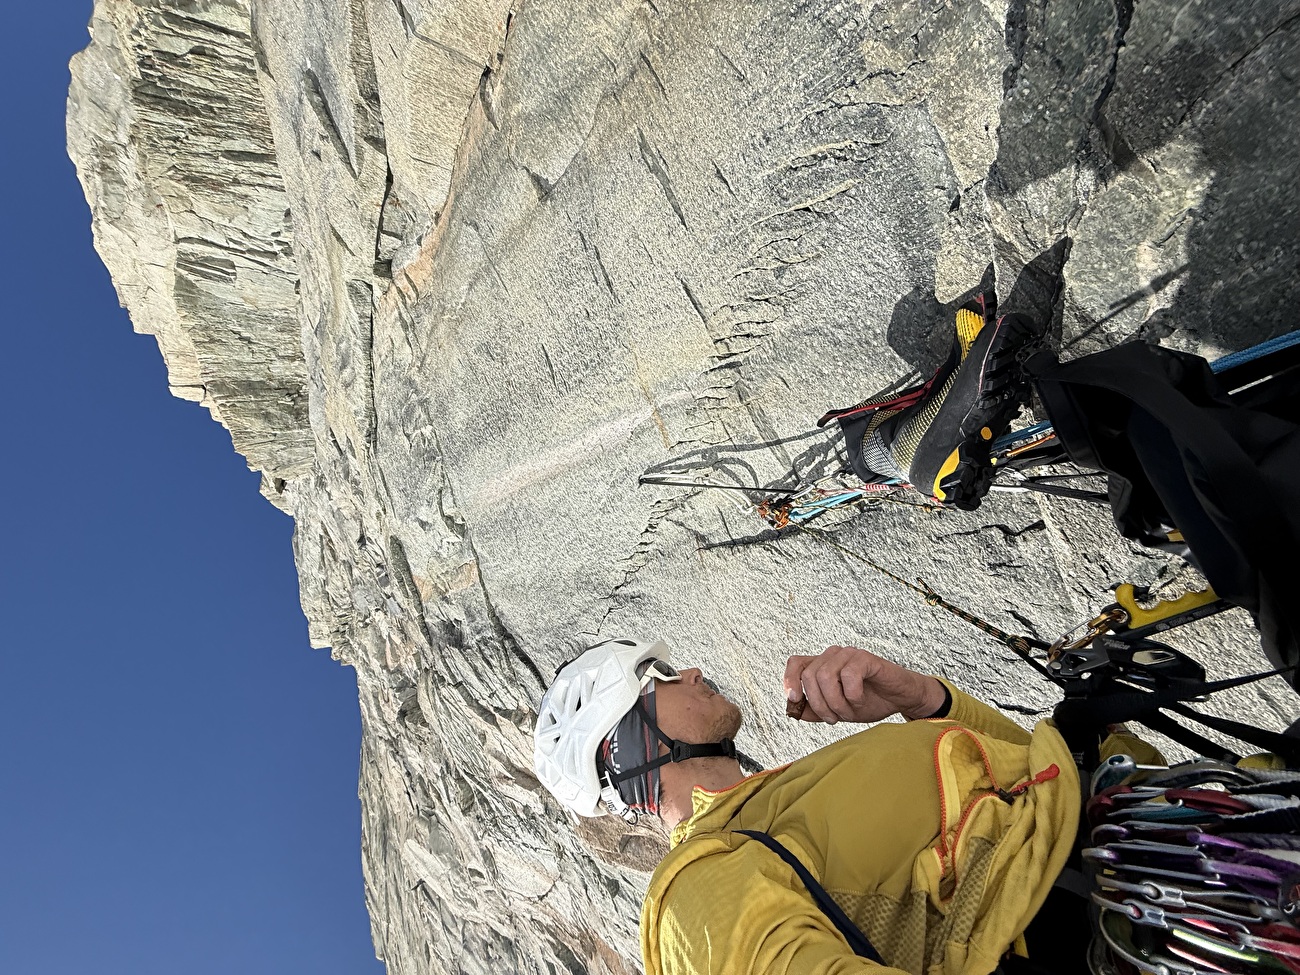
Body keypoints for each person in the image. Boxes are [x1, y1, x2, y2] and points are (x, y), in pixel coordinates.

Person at [533, 636, 1160, 974]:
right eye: (658, 675)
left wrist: (922, 699)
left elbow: (1027, 772)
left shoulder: (774, 804)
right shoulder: (695, 895)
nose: (691, 673)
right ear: (630, 745)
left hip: (1154, 830)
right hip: (1127, 921)